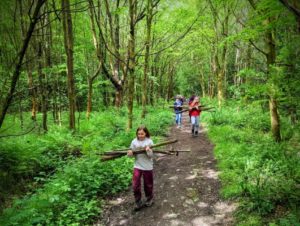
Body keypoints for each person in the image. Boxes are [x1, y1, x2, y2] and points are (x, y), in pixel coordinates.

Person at [127, 126, 154, 211]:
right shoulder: (134, 142)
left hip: (147, 166)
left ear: (145, 133)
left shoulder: (149, 141)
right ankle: (138, 201)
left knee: (148, 184)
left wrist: (148, 151)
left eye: (142, 134)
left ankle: (149, 198)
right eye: (139, 134)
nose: (140, 135)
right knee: (135, 185)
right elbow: (131, 155)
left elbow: (151, 156)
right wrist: (130, 154)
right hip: (137, 166)